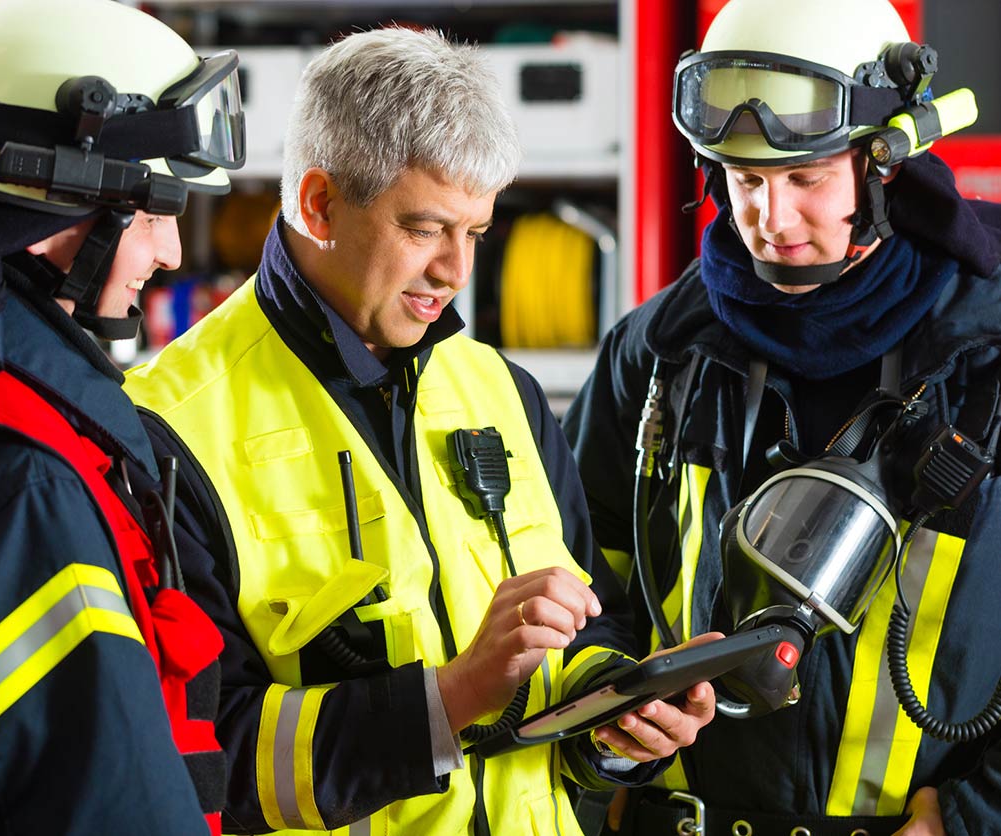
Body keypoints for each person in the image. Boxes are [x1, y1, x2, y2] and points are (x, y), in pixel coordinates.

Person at [123, 26, 718, 836]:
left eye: (475, 232)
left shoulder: (501, 391)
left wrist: (621, 715)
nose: (457, 271)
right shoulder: (168, 427)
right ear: (320, 204)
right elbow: (195, 761)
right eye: (425, 228)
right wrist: (449, 701)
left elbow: (593, 622)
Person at [564, 0, 1001, 833]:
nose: (771, 218)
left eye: (806, 178)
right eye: (746, 179)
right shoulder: (659, 351)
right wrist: (608, 715)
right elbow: (579, 580)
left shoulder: (986, 350)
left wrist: (973, 817)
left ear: (883, 165)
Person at [0, 0, 246, 833]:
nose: (168, 253)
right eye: (157, 213)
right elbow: (109, 793)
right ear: (45, 201)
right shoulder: (30, 479)